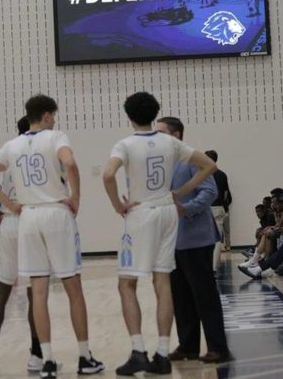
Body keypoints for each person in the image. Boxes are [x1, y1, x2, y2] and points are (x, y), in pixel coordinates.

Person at [0, 94, 104, 379]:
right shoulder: (55, 136)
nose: (54, 121)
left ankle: (45, 360)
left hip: (28, 218)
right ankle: (84, 357)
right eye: (54, 116)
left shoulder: (13, 145)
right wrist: (76, 198)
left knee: (38, 290)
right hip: (55, 213)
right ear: (47, 116)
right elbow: (70, 164)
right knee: (73, 287)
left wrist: (9, 205)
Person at [103, 93, 218, 376]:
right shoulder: (171, 141)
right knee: (162, 280)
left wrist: (118, 205)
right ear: (155, 114)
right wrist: (180, 192)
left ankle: (138, 351)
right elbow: (209, 166)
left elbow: (107, 175)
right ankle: (163, 354)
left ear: (128, 116)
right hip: (167, 211)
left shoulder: (126, 144)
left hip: (141, 212)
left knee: (127, 284)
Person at [155, 117, 230, 364]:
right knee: (181, 296)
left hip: (196, 238)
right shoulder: (162, 163)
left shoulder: (191, 159)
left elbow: (210, 191)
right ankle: (187, 345)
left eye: (161, 132)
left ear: (176, 136)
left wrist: (186, 209)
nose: (155, 136)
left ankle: (218, 347)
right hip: (172, 241)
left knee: (204, 295)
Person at [0, 116, 45, 375]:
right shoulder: (46, 148)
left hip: (8, 223)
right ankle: (36, 355)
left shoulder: (8, 149)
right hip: (32, 220)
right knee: (34, 294)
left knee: (1, 293)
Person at [205, 150, 232, 257]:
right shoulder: (222, 175)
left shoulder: (203, 174)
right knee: (217, 239)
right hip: (219, 208)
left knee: (205, 238)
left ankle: (206, 263)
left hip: (207, 208)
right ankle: (214, 267)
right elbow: (226, 194)